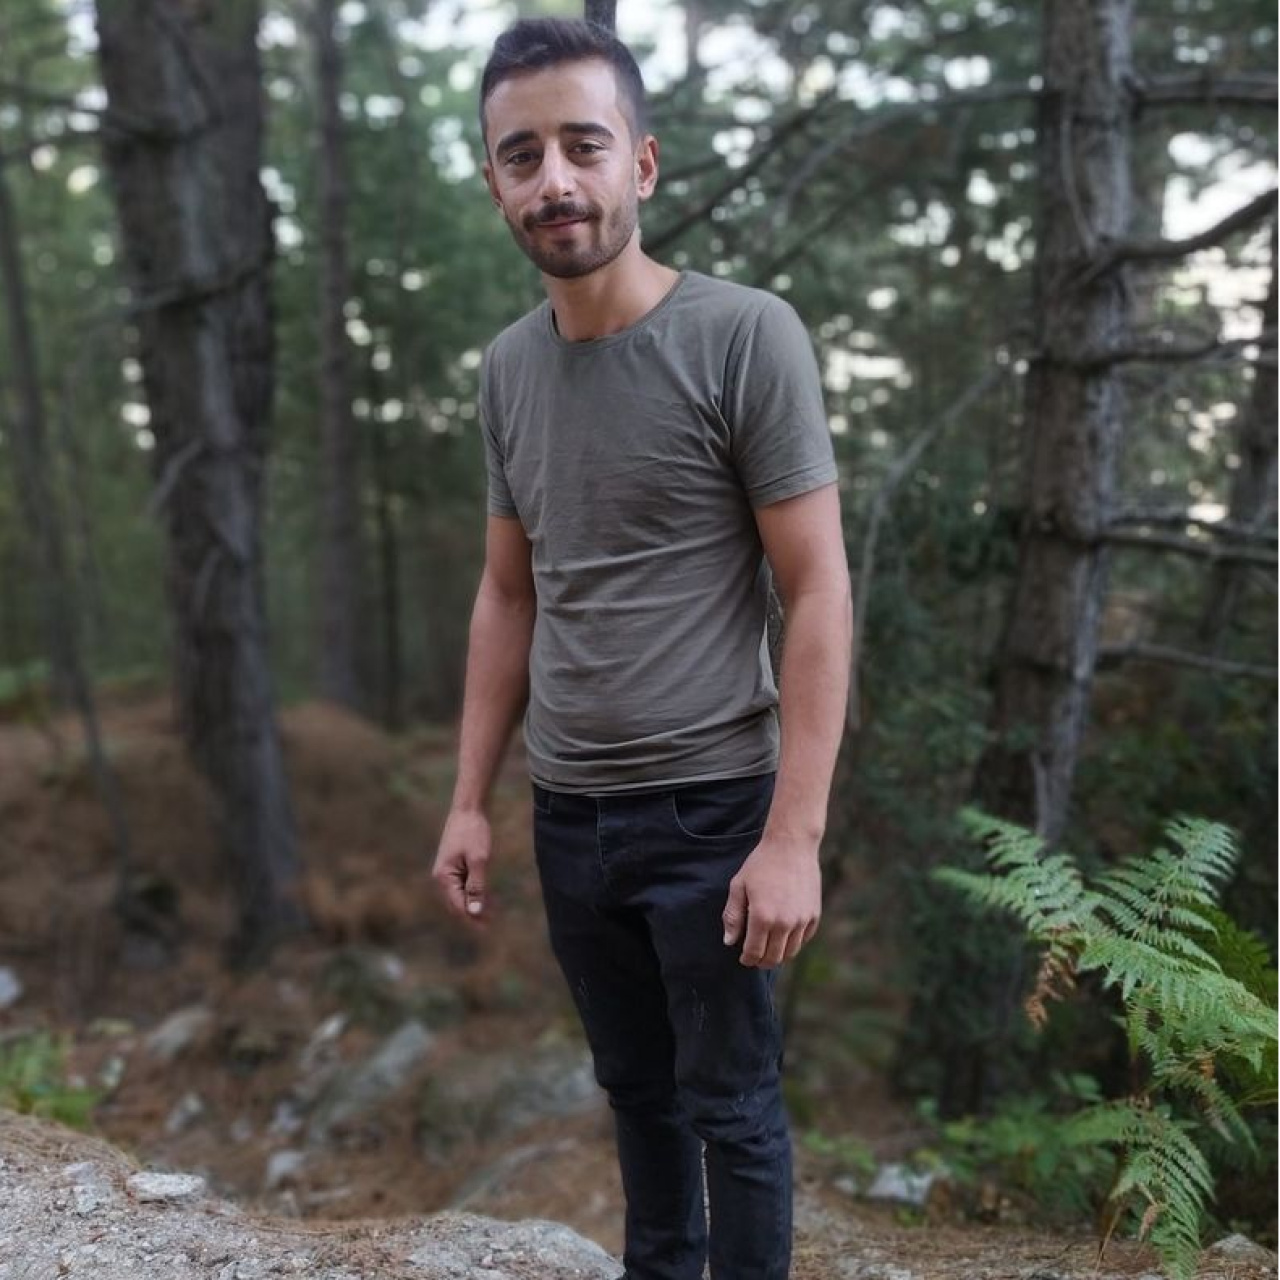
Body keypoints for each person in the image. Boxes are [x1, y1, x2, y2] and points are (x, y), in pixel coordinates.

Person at [432, 18, 852, 1280]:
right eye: (521, 156)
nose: (553, 179)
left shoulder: (743, 336)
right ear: (495, 183)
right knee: (636, 1092)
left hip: (711, 807)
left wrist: (793, 836)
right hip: (569, 812)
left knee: (730, 1103)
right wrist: (468, 798)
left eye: (583, 145)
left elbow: (815, 588)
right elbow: (508, 593)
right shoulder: (507, 370)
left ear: (643, 163)